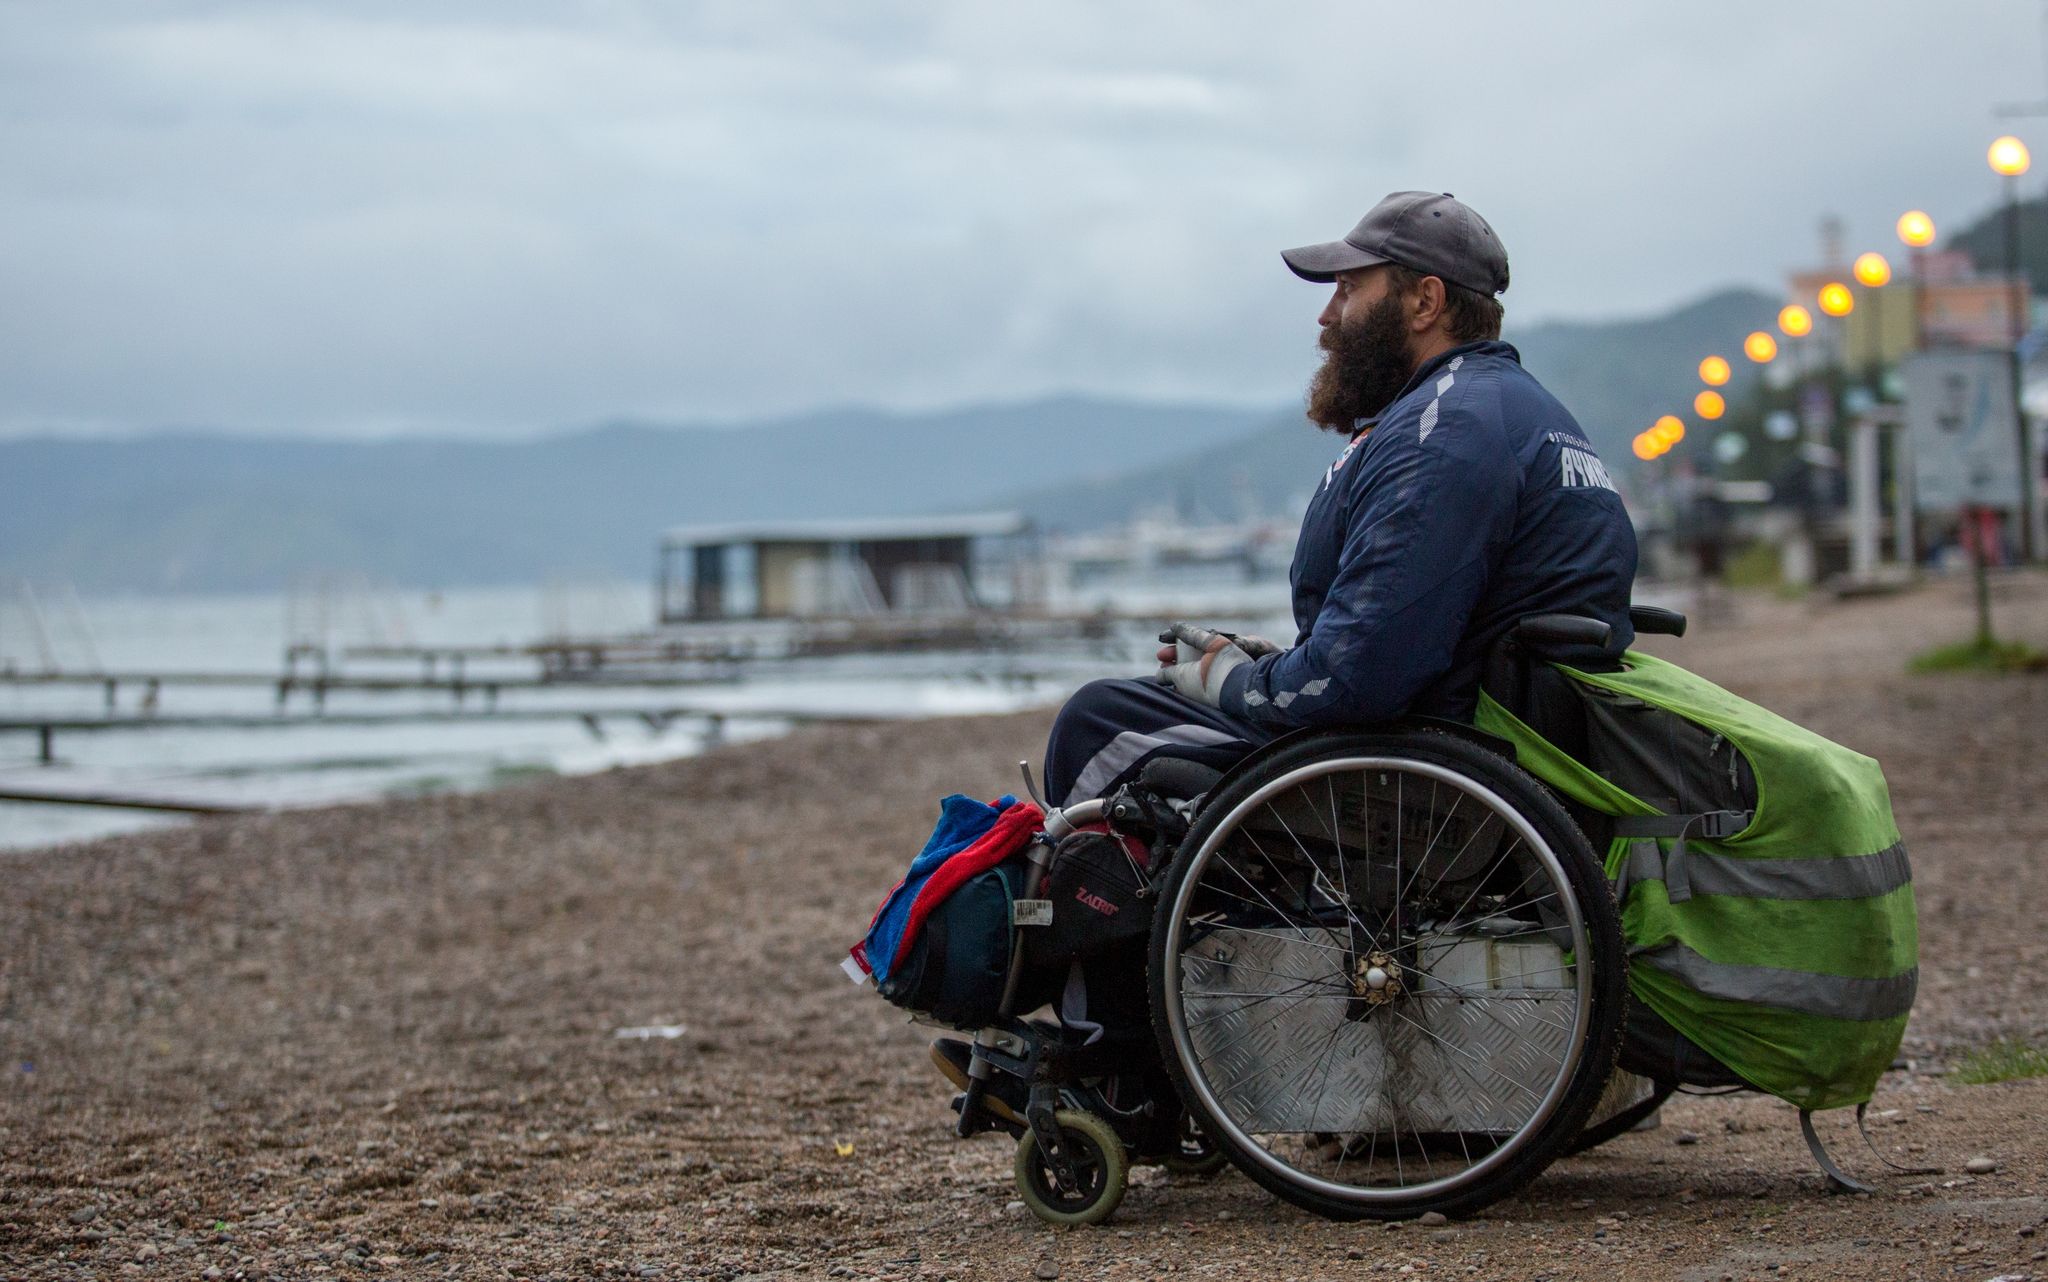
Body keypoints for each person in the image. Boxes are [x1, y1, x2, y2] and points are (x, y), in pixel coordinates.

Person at [931, 191, 1640, 1147]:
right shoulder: (1523, 415)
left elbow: (1359, 685)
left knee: (1104, 734)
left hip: (1414, 785)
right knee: (1137, 712)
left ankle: (1130, 1076)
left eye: (1350, 289)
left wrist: (1231, 682)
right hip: (1479, 758)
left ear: (1424, 299)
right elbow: (1409, 637)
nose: (1326, 316)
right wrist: (1261, 664)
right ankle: (1182, 1051)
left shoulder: (1445, 436)